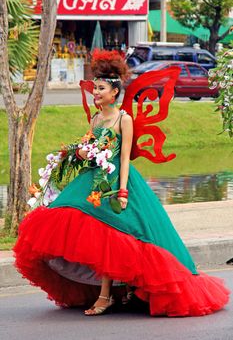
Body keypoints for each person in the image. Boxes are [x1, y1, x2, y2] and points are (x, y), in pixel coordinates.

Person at [14, 50, 230, 317]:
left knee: (114, 235)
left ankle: (107, 296)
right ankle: (116, 292)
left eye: (100, 89)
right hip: (93, 177)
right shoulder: (96, 118)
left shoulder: (123, 119)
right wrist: (80, 152)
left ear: (114, 92)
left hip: (116, 180)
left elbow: (124, 157)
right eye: (94, 88)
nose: (95, 93)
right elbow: (89, 146)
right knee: (71, 217)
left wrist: (123, 190)